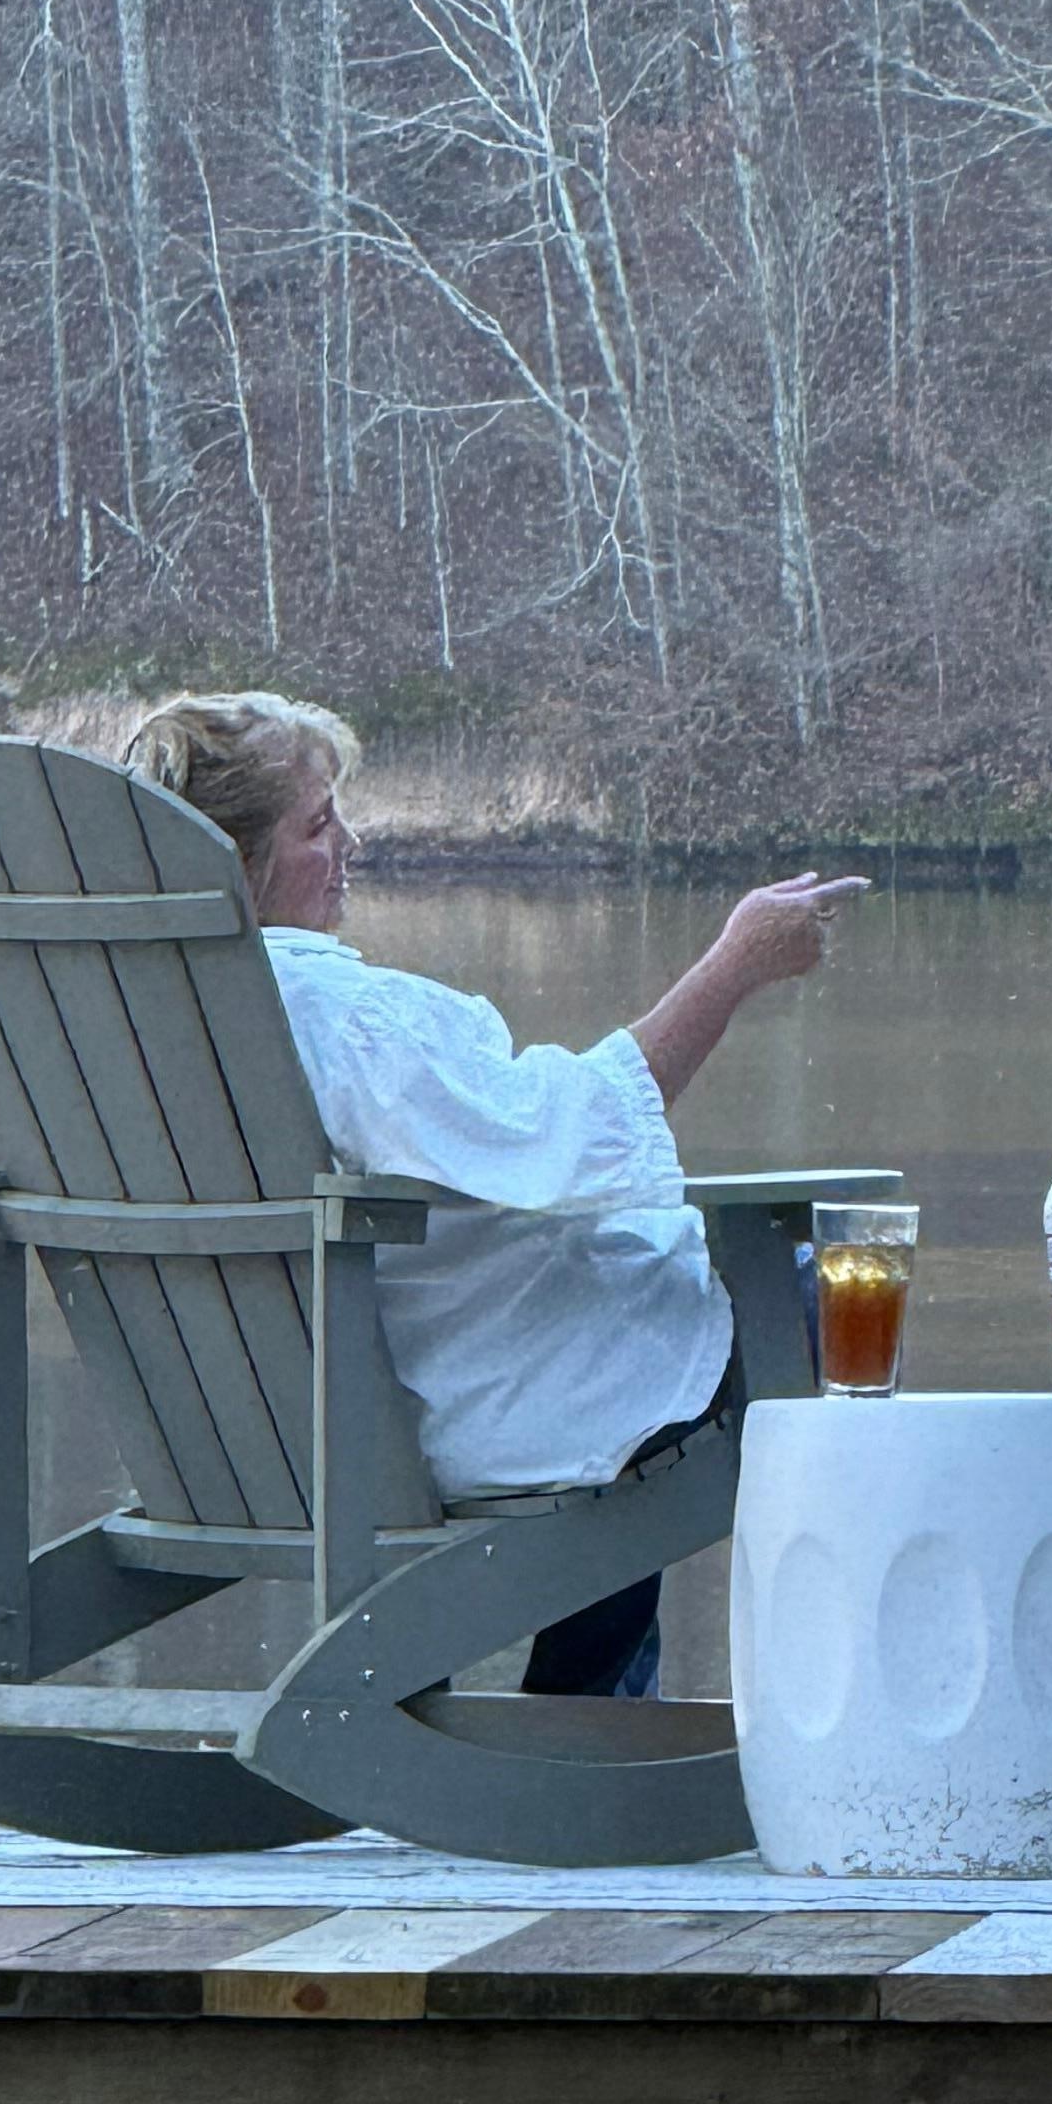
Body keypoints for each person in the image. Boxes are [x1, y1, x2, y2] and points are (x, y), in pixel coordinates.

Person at [124, 691, 865, 1699]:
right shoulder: (343, 1019)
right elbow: (570, 1134)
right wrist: (735, 966)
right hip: (428, 1412)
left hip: (245, 1428)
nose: (350, 843)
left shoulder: (132, 1028)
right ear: (238, 862)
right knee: (813, 1290)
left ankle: (593, 1709)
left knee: (621, 1367)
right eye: (319, 824)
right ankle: (709, 1701)